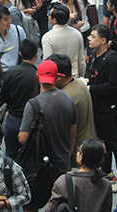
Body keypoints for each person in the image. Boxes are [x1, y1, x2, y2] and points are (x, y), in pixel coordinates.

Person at [18, 60, 78, 211]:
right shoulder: (68, 100)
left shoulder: (33, 104)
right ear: (57, 76)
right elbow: (73, 134)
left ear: (38, 76)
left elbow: (23, 138)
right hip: (62, 164)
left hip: (39, 167)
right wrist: (67, 154)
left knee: (31, 205)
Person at [85, 24, 117, 190]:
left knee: (114, 141)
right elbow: (91, 71)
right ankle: (107, 170)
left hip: (108, 108)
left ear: (104, 40)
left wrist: (92, 88)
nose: (90, 39)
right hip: (96, 106)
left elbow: (114, 86)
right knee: (102, 141)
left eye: (93, 36)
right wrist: (87, 80)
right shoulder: (94, 54)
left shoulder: (113, 60)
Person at [48, 54, 95, 167]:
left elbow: (69, 133)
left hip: (77, 151)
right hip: (89, 143)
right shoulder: (80, 83)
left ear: (59, 76)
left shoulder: (65, 97)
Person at [46, 139, 111, 212]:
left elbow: (49, 209)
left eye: (78, 151)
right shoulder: (106, 185)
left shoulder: (64, 181)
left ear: (81, 156)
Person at [0, 39, 39, 159]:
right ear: (36, 55)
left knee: (11, 156)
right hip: (31, 123)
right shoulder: (37, 76)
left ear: (20, 54)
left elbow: (3, 97)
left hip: (12, 119)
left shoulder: (10, 72)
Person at [41, 3, 86, 78]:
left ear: (54, 20)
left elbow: (47, 63)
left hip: (56, 78)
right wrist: (81, 77)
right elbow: (81, 60)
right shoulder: (77, 34)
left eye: (49, 14)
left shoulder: (47, 37)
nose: (48, 16)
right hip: (73, 76)